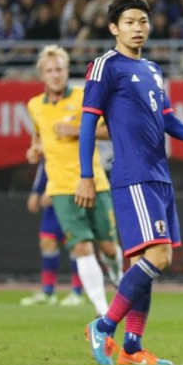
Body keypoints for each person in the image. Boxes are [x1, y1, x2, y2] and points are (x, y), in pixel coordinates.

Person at [76, 0, 183, 365]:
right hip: (133, 175)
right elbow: (87, 124)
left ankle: (132, 348)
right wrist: (86, 176)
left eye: (143, 22)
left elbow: (167, 118)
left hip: (159, 176)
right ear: (113, 28)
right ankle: (103, 326)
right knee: (159, 256)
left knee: (141, 262)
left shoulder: (152, 69)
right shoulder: (105, 66)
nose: (139, 28)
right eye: (130, 22)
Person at [26, 44, 124, 317]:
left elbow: (112, 129)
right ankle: (103, 311)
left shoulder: (85, 97)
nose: (55, 75)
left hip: (94, 183)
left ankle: (119, 283)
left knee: (106, 246)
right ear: (42, 75)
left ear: (67, 71)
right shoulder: (35, 106)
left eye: (59, 69)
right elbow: (39, 136)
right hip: (60, 190)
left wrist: (76, 129)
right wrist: (35, 149)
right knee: (81, 247)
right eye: (49, 71)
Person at [19, 160, 84, 307]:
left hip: (72, 198)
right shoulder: (49, 145)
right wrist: (36, 192)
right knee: (47, 241)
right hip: (53, 202)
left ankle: (77, 292)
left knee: (76, 244)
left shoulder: (76, 142)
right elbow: (45, 165)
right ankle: (48, 292)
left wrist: (59, 193)